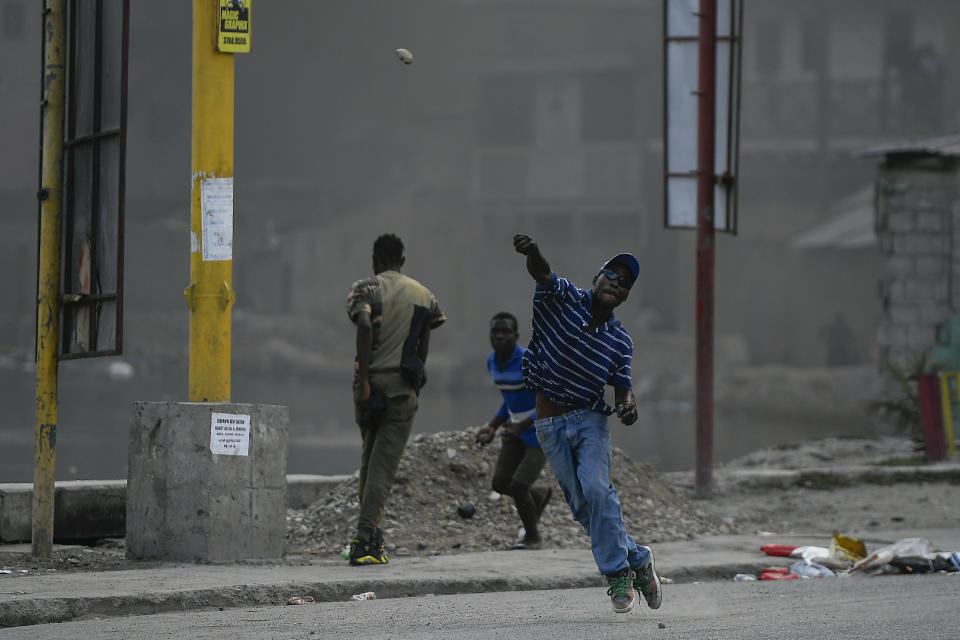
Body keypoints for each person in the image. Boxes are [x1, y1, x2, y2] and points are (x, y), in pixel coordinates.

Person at [511, 233, 662, 614]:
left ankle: (617, 575)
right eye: (612, 275)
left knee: (597, 488)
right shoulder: (562, 299)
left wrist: (628, 406)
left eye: (624, 283)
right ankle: (639, 559)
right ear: (597, 277)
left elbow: (623, 388)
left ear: (626, 296)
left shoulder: (620, 340)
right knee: (582, 509)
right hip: (549, 425)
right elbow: (543, 274)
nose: (616, 283)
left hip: (589, 420)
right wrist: (533, 252)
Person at [346, 234, 446, 565]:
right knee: (382, 468)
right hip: (402, 388)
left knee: (369, 462)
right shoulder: (424, 294)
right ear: (402, 259)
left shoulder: (366, 288)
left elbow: (363, 324)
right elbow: (424, 340)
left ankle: (372, 539)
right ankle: (363, 542)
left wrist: (364, 382)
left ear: (375, 259)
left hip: (369, 386)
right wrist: (417, 375)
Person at [475, 311, 552, 549]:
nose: (499, 337)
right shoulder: (491, 361)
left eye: (505, 332)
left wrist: (522, 425)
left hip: (539, 430)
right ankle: (539, 495)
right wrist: (492, 426)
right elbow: (510, 399)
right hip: (514, 430)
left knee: (518, 487)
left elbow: (547, 400)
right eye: (495, 331)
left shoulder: (527, 361)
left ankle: (533, 538)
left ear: (516, 335)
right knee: (499, 483)